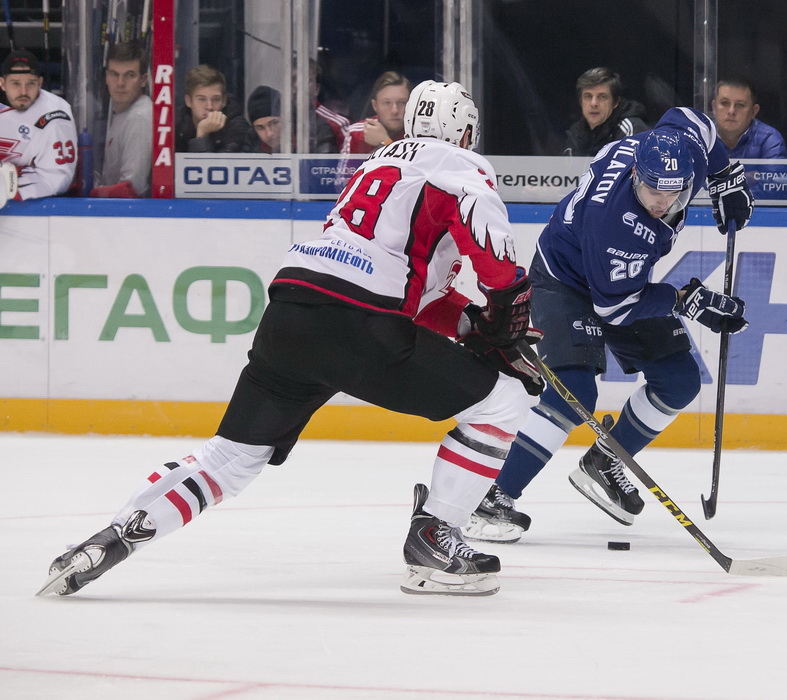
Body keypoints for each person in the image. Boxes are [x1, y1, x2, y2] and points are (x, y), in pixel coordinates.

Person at [36, 81, 543, 599]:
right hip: (361, 323)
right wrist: (506, 317)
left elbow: (420, 297)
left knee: (230, 459)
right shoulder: (459, 167)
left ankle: (116, 535)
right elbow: (494, 258)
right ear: (464, 132)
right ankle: (435, 538)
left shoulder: (379, 163)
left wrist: (474, 325)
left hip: (293, 311)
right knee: (501, 404)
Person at [463, 107, 755, 544]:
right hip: (566, 279)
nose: (661, 204)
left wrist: (725, 176)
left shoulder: (677, 152)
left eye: (672, 195)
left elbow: (693, 121)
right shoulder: (617, 224)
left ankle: (605, 460)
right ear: (635, 172)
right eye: (651, 191)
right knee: (575, 392)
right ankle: (494, 499)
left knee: (678, 381)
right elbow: (616, 309)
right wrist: (685, 301)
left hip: (619, 282)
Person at [0, 49, 78, 205]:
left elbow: (55, 180)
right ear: (2, 84)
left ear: (40, 83)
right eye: (15, 83)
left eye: (31, 83)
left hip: (35, 211)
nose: (24, 91)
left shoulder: (54, 117)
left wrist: (9, 183)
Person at [91, 41, 152, 198]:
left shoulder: (139, 118)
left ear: (143, 80)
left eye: (129, 75)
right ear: (106, 77)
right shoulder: (122, 111)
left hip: (131, 218)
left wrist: (93, 194)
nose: (120, 83)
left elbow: (132, 188)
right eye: (114, 74)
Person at [563, 67, 648, 157]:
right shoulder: (575, 134)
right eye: (588, 96)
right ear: (580, 101)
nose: (594, 103)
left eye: (602, 97)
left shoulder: (631, 130)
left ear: (615, 102)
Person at [175, 64, 250, 153]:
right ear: (189, 101)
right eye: (202, 99)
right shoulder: (175, 122)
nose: (209, 106)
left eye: (216, 99)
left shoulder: (236, 126)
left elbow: (215, 166)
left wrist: (202, 135)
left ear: (224, 101)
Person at [711, 76, 787, 159]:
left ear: (754, 111)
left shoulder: (769, 139)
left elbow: (774, 170)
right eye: (725, 103)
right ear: (714, 107)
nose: (731, 111)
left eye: (740, 105)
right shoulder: (700, 136)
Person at [340, 71, 411, 156]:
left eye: (402, 102)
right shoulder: (356, 133)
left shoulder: (419, 134)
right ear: (375, 106)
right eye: (387, 103)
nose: (394, 111)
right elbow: (345, 169)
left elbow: (411, 169)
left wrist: (385, 142)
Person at [242, 85, 285, 153]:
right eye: (260, 127)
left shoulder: (305, 144)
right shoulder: (249, 147)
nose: (269, 134)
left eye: (274, 123)